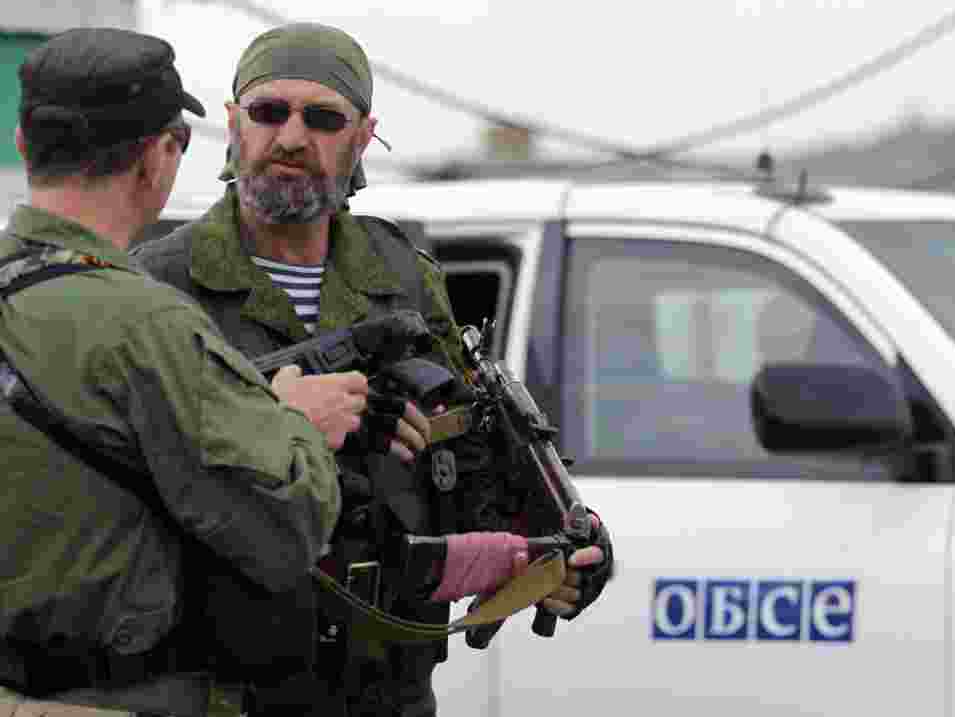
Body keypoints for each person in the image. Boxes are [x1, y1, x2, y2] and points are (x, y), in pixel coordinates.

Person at [132, 22, 613, 717]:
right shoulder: (159, 283)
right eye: (270, 112)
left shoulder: (403, 279)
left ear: (362, 138)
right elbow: (119, 480)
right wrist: (272, 419)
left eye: (323, 118)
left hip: (384, 687)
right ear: (233, 125)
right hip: (219, 689)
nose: (292, 137)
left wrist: (561, 548)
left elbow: (468, 457)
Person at [0, 27, 366, 717]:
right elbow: (288, 527)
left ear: (25, 147)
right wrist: (290, 420)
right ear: (158, 156)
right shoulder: (148, 326)